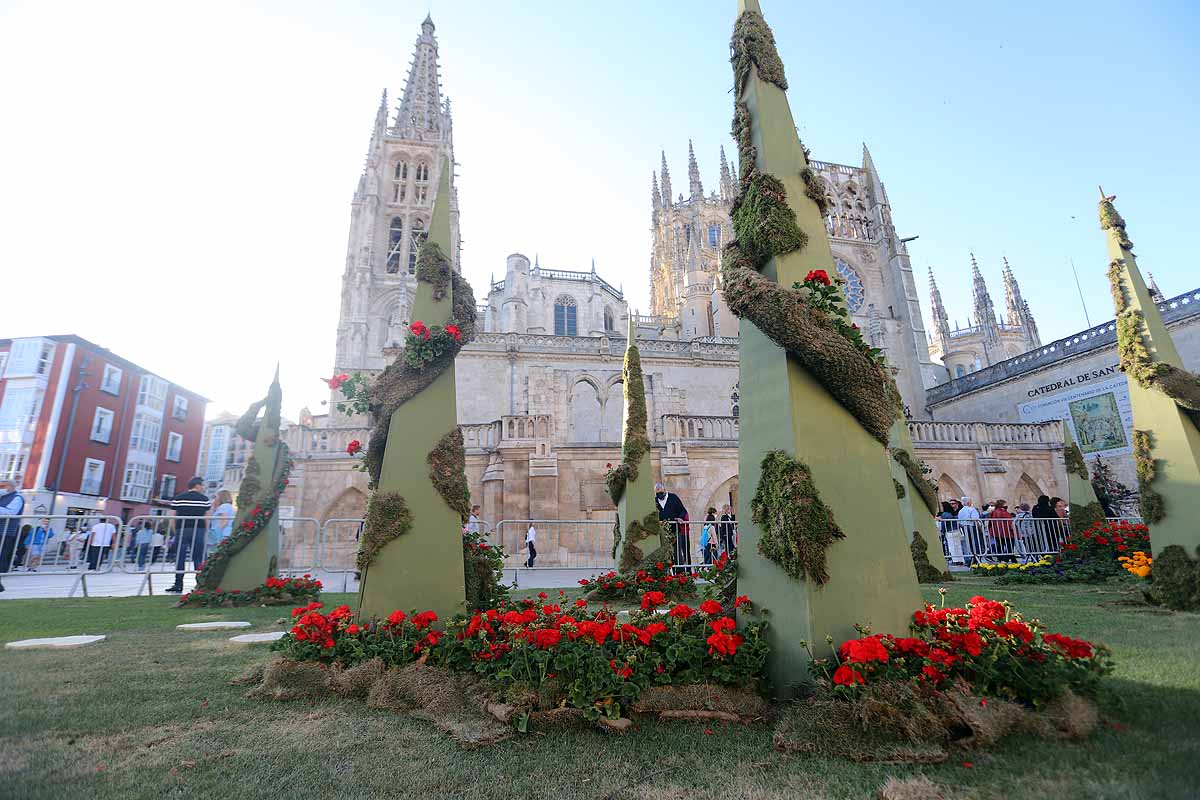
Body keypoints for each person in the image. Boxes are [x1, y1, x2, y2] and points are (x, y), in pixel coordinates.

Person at [165, 477, 212, 593]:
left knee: (180, 557)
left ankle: (178, 583)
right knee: (198, 557)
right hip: (198, 529)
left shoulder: (178, 498)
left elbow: (172, 517)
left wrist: (175, 530)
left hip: (182, 529)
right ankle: (200, 583)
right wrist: (206, 531)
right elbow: (207, 518)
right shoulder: (204, 500)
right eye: (202, 485)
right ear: (197, 485)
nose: (203, 488)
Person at [655, 483, 690, 569]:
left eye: (661, 493)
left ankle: (679, 572)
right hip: (663, 532)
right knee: (666, 554)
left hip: (675, 530)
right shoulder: (655, 501)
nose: (660, 495)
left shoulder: (673, 498)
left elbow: (682, 510)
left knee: (677, 552)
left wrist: (680, 518)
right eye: (657, 493)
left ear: (665, 490)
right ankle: (668, 573)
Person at [0, 479, 25, 588]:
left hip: (6, 532)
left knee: (2, 556)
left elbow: (11, 512)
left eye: (3, 486)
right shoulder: (4, 497)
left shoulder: (17, 498)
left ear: (11, 486)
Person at [956, 497, 981, 565]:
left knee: (969, 543)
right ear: (968, 502)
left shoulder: (960, 511)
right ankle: (977, 558)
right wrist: (980, 529)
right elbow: (976, 520)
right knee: (977, 543)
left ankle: (971, 558)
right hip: (972, 527)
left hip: (964, 528)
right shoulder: (972, 509)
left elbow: (960, 522)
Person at [939, 501, 964, 565]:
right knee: (958, 546)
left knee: (952, 547)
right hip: (956, 531)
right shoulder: (952, 513)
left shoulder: (944, 514)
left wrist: (943, 532)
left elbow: (943, 524)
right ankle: (961, 560)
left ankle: (955, 560)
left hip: (950, 532)